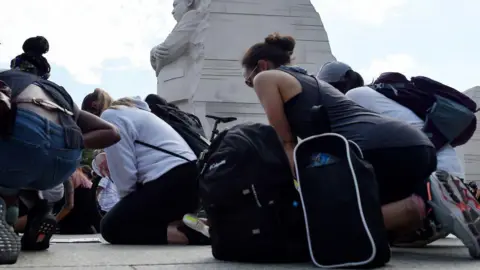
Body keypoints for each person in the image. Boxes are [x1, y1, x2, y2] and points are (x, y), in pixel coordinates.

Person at [241, 32, 480, 258]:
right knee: (376, 223)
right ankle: (432, 205)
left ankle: (428, 204)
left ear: (261, 65)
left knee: (328, 225)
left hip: (380, 151)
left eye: (247, 81)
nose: (251, 85)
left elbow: (286, 142)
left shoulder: (266, 78)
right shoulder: (309, 80)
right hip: (414, 148)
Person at [317, 61, 476, 247]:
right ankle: (435, 216)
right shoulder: (378, 96)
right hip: (445, 166)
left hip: (430, 170)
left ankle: (433, 203)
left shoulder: (354, 97)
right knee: (394, 236)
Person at [0, 36, 120, 264]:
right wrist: (70, 142)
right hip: (61, 165)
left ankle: (4, 219)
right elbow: (112, 133)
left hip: (21, 143)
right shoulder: (58, 93)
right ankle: (40, 211)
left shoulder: (6, 78)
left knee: (15, 160)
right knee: (22, 173)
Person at [82, 94, 208, 245]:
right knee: (148, 219)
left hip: (170, 182)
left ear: (94, 109)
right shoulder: (137, 113)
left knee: (111, 227)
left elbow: (124, 173)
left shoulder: (110, 116)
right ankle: (202, 223)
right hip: (189, 182)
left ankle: (193, 236)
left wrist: (127, 208)